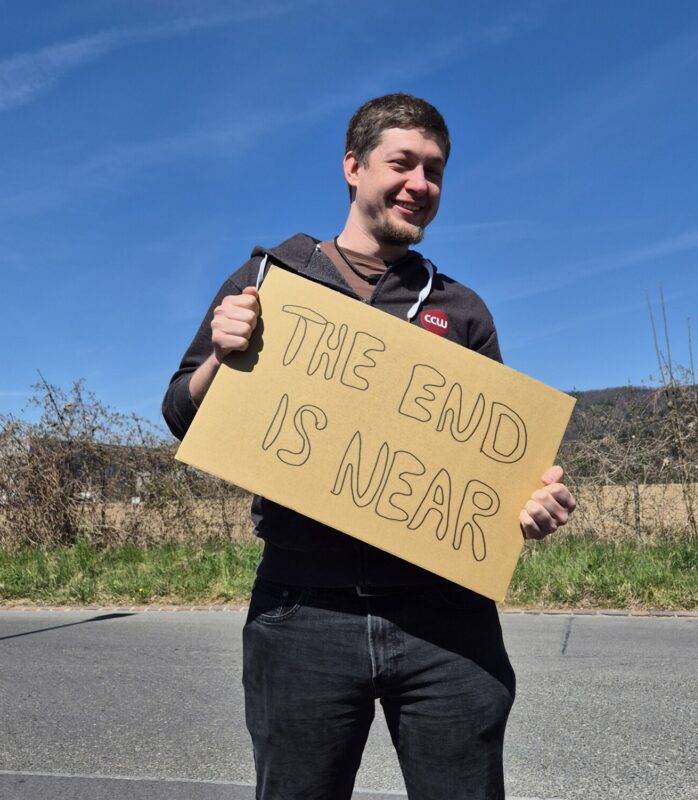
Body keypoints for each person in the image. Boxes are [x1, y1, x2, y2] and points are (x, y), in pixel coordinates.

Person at [163, 93, 575, 800]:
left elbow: (492, 465)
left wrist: (531, 504)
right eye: (403, 163)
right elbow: (179, 411)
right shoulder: (269, 282)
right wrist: (219, 359)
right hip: (302, 615)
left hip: (448, 622)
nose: (422, 184)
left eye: (436, 171)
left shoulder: (462, 309)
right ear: (353, 168)